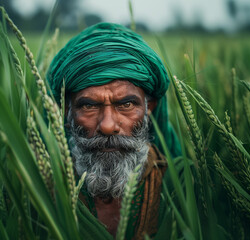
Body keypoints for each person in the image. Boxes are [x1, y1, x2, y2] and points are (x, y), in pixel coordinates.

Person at [46, 22, 180, 239]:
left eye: (126, 104)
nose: (108, 126)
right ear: (66, 113)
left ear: (149, 109)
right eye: (89, 106)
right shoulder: (39, 189)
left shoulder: (184, 185)